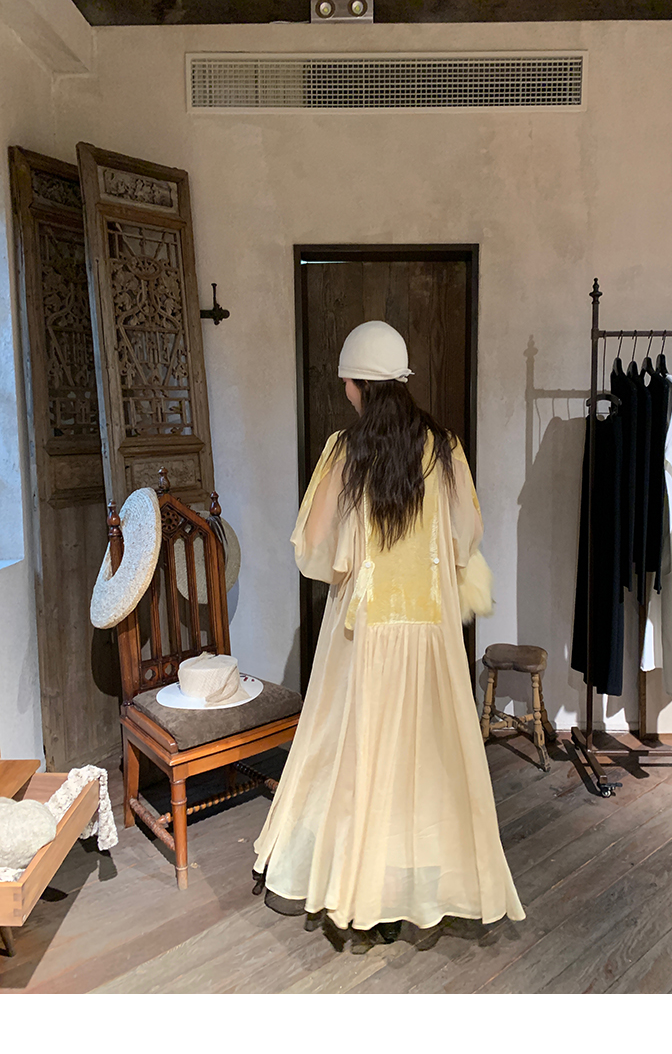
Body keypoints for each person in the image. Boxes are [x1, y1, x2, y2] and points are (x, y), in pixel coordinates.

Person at [253, 320, 525, 951]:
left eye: (346, 380)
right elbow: (468, 535)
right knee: (428, 759)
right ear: (400, 380)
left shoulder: (343, 451)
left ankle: (357, 884)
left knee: (354, 755)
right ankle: (421, 881)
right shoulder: (445, 449)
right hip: (429, 632)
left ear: (358, 383)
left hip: (363, 634)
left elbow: (315, 552)